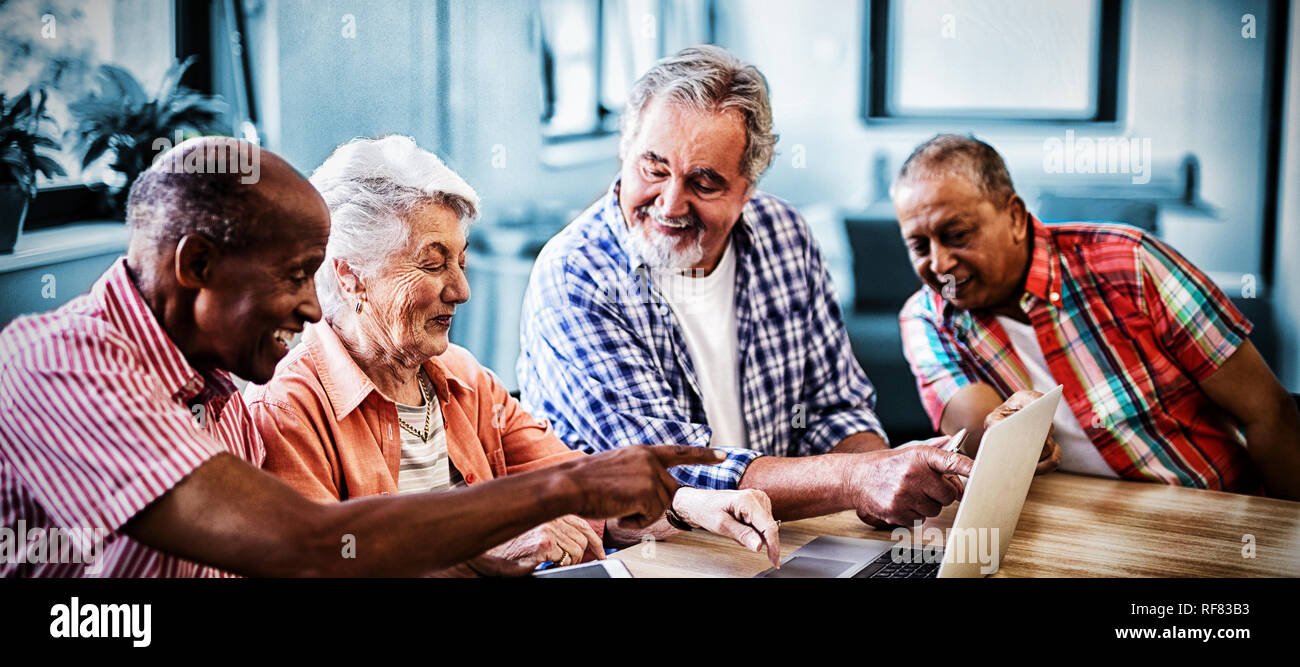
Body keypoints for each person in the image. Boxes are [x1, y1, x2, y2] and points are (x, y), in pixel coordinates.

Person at [0, 137, 727, 577]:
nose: (315, 309)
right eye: (295, 277)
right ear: (197, 265)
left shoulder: (221, 390)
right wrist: (563, 488)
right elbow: (313, 547)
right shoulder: (60, 366)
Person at [517, 45, 1007, 529]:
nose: (669, 203)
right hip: (644, 552)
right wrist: (859, 478)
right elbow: (664, 470)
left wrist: (883, 482)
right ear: (626, 152)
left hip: (780, 541)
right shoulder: (575, 274)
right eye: (654, 168)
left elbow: (834, 405)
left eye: (704, 183)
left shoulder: (784, 234)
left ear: (748, 188)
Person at [246, 135, 779, 569]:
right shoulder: (289, 406)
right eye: (433, 265)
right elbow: (321, 566)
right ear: (350, 275)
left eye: (461, 260)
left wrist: (693, 505)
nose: (461, 290)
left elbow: (582, 485)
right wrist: (475, 546)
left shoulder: (461, 378)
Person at [894, 134, 1300, 499]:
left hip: (1209, 509)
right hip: (1071, 531)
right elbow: (982, 439)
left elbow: (1269, 412)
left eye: (958, 235)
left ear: (1015, 218)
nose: (940, 262)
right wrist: (1007, 437)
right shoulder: (927, 318)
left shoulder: (1131, 263)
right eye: (919, 246)